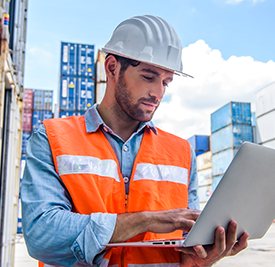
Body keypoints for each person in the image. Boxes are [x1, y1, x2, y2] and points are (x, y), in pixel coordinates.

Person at [21, 15, 249, 267]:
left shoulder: (182, 152)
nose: (158, 93)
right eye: (148, 76)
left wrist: (203, 258)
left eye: (166, 82)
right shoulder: (52, 137)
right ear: (112, 68)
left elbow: (185, 252)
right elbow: (41, 235)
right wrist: (145, 220)